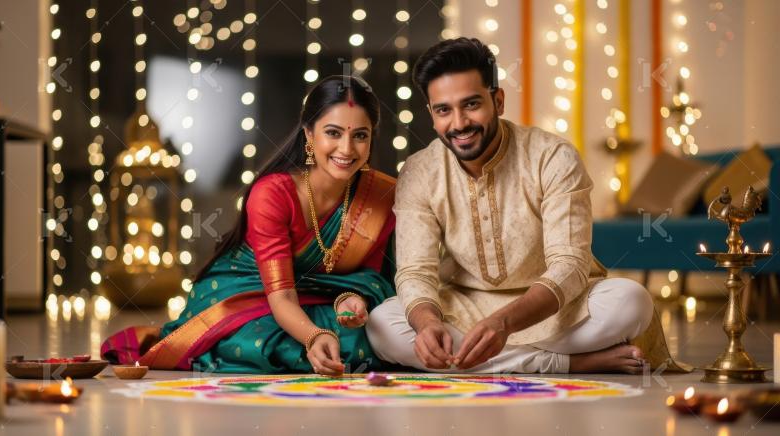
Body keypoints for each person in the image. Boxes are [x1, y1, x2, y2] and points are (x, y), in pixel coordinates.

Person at [366, 38, 689, 374]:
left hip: (558, 310)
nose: (459, 123)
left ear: (498, 100)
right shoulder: (420, 171)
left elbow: (570, 264)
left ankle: (496, 361)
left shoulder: (552, 157)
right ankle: (569, 363)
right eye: (443, 110)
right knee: (382, 324)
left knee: (630, 302)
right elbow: (416, 270)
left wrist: (504, 323)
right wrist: (427, 323)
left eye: (471, 104)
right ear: (431, 115)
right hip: (465, 309)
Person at [102, 76, 397, 376]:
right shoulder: (273, 194)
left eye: (360, 135)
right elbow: (282, 295)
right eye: (332, 133)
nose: (346, 149)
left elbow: (367, 280)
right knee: (259, 343)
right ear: (308, 135)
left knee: (372, 332)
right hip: (249, 295)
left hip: (324, 300)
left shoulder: (380, 196)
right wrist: (313, 335)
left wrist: (352, 302)